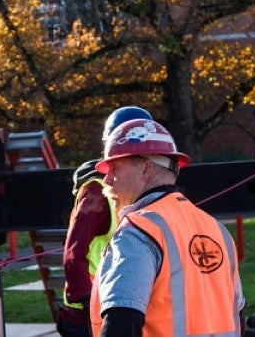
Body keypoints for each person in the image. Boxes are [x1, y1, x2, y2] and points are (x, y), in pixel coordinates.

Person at [89, 118, 244, 336]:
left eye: (115, 168)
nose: (107, 179)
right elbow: (237, 314)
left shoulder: (138, 232)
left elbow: (121, 322)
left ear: (145, 169)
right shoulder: (217, 230)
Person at [57, 106, 153, 337]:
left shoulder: (138, 188)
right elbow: (74, 252)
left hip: (119, 304)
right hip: (90, 313)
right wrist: (86, 297)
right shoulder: (97, 193)